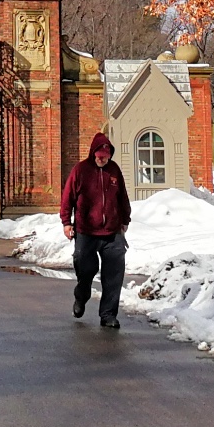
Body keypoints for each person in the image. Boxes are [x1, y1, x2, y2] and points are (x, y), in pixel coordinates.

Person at [60, 132, 131, 328]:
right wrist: (67, 222)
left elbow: (122, 197)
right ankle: (81, 296)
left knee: (114, 275)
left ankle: (108, 315)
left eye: (105, 156)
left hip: (112, 232)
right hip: (86, 231)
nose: (102, 159)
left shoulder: (114, 171)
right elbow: (68, 198)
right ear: (93, 154)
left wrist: (125, 219)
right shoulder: (80, 170)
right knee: (85, 269)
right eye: (99, 155)